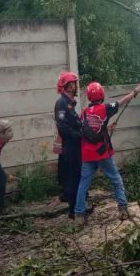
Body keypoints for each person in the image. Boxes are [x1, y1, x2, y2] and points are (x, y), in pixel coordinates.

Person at [74, 81, 140, 223]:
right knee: (116, 179)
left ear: (89, 97)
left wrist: (106, 128)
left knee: (83, 184)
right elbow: (123, 101)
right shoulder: (105, 108)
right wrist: (136, 91)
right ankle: (123, 209)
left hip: (88, 155)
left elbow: (89, 131)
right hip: (102, 154)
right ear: (102, 94)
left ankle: (79, 215)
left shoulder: (84, 113)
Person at [54, 71, 84, 218]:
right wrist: (80, 135)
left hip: (75, 146)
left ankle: (79, 207)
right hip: (70, 148)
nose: (77, 85)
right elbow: (63, 128)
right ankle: (74, 211)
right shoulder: (62, 103)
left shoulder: (70, 103)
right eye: (75, 83)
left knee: (77, 177)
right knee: (73, 179)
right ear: (70, 85)